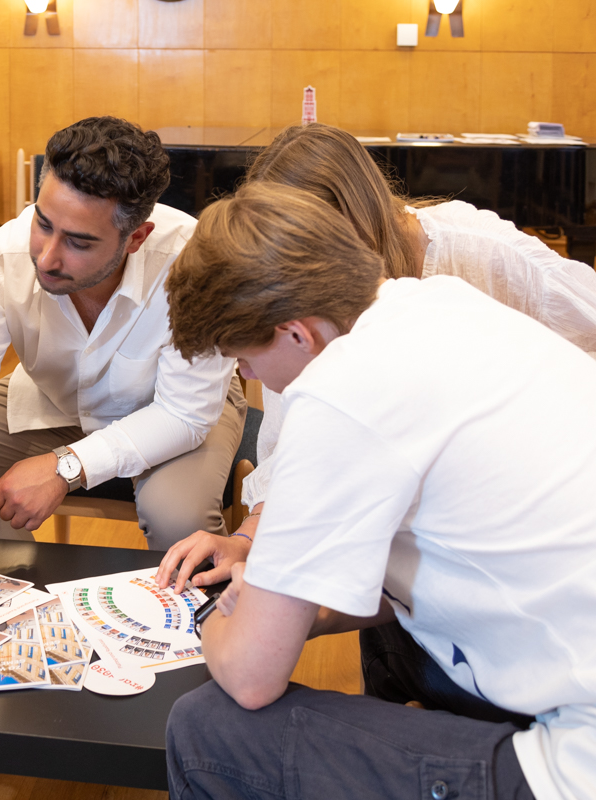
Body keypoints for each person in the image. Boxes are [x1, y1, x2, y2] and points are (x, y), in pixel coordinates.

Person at [164, 181, 595, 800]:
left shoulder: (342, 390)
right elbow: (421, 566)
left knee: (210, 729)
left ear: (295, 333)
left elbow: (252, 678)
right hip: (565, 647)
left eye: (243, 359)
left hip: (579, 756)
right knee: (389, 633)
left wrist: (212, 628)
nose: (249, 377)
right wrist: (296, 607)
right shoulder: (435, 303)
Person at [157, 121, 596, 592]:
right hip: (426, 528)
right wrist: (246, 539)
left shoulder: (475, 256)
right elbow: (295, 449)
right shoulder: (308, 319)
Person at [0, 116, 245, 593]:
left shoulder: (193, 258)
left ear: (136, 238)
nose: (46, 257)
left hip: (173, 407)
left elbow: (184, 412)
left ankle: (196, 648)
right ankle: (0, 610)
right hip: (53, 396)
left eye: (78, 242)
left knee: (180, 518)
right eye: (42, 224)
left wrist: (66, 465)